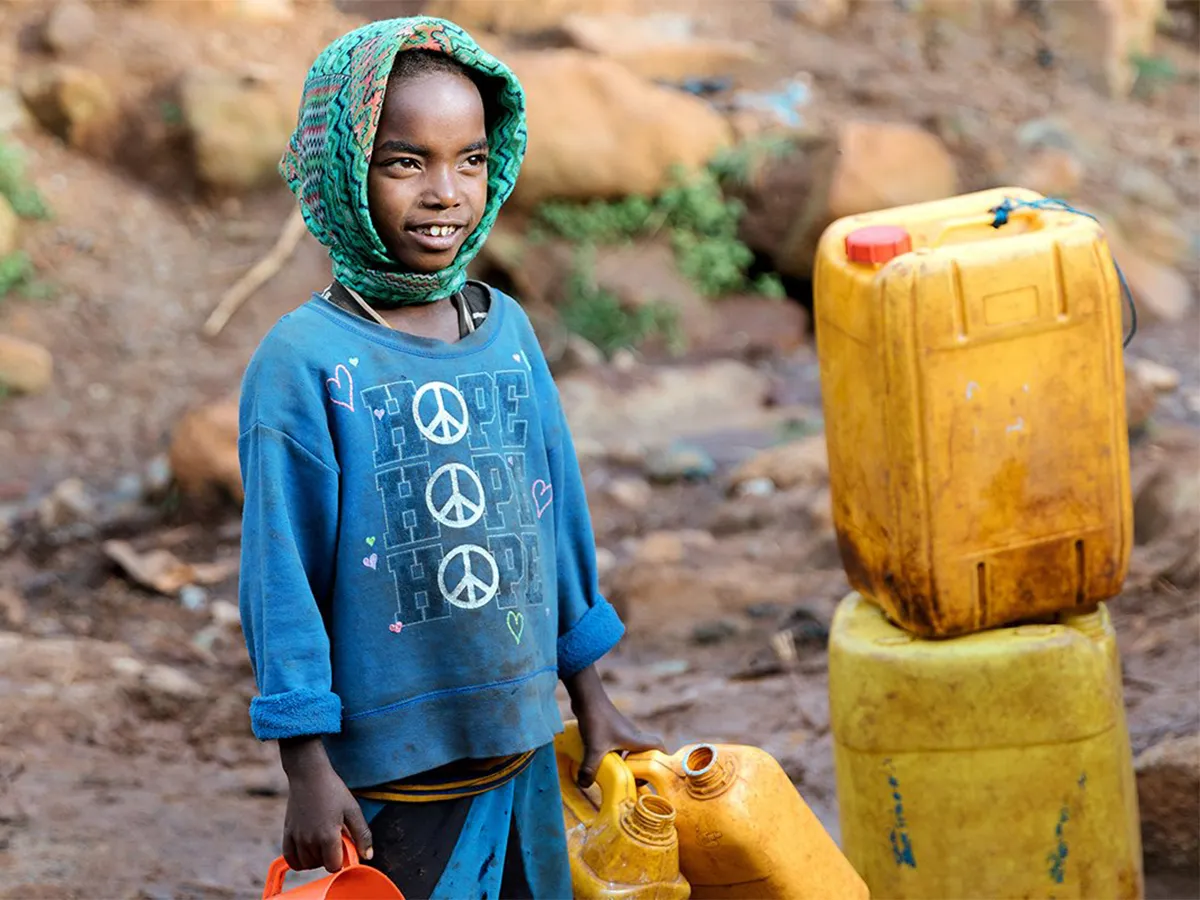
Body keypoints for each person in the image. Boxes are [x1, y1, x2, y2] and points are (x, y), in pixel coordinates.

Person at [236, 16, 662, 899]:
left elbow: (551, 517)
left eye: (470, 160)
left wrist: (590, 697)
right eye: (405, 162)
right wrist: (304, 763)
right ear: (345, 173)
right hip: (387, 773)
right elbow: (282, 574)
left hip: (522, 743)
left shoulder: (506, 332)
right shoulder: (303, 362)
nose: (446, 192)